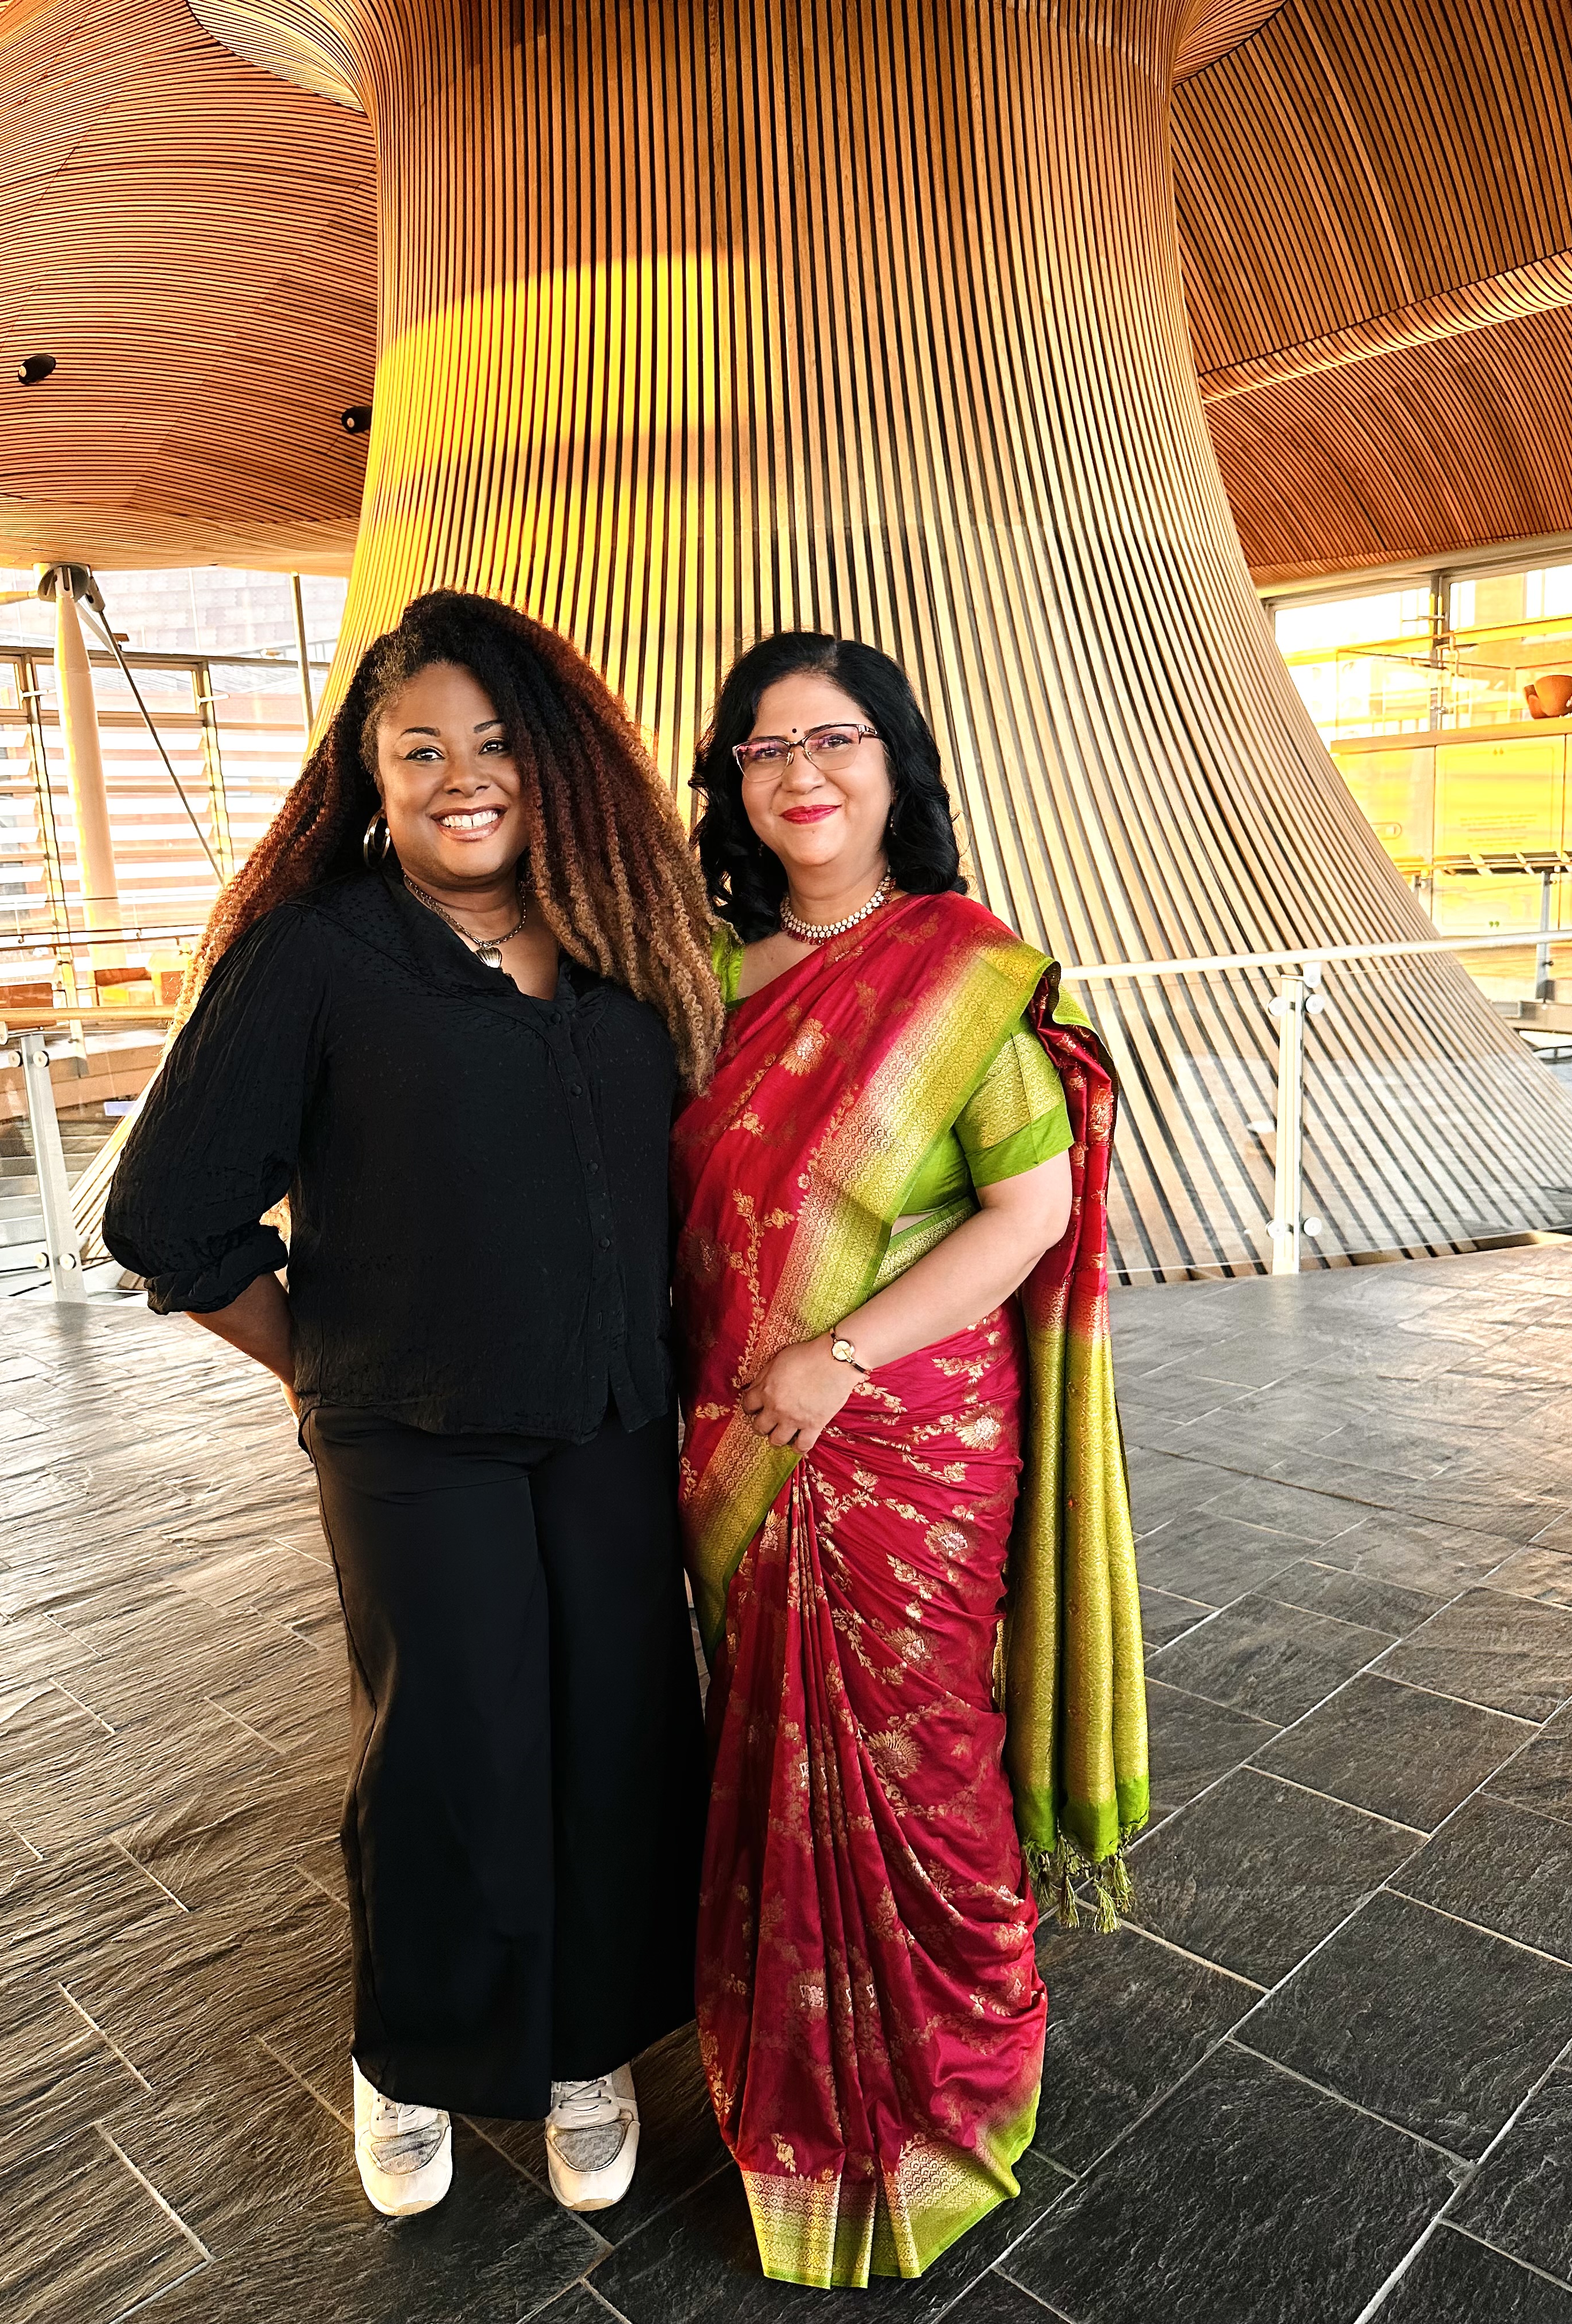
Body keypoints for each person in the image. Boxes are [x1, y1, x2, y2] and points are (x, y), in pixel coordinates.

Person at [104, 589, 719, 2222]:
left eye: (495, 742)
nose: (464, 777)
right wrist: (322, 1367)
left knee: (617, 1728)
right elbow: (167, 1215)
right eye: (420, 748)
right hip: (410, 1440)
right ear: (367, 776)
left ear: (555, 759)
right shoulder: (320, 954)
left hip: (607, 1416)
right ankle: (417, 2055)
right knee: (456, 1741)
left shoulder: (627, 942)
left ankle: (583, 2047)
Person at [672, 632, 1149, 2288]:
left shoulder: (962, 973)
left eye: (836, 740)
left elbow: (1029, 1211)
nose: (801, 773)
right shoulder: (701, 981)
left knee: (919, 1760)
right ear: (733, 784)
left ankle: (947, 2099)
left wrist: (842, 1355)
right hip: (743, 1440)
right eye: (764, 748)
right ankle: (799, 2115)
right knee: (767, 1765)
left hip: (912, 1435)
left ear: (895, 767)